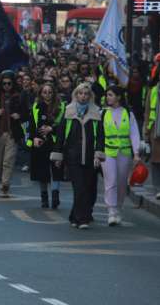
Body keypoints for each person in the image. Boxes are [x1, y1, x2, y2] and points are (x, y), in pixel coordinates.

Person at [51, 83, 105, 229]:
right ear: (76, 95)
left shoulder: (96, 113)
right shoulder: (68, 112)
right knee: (79, 187)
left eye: (86, 94)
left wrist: (98, 155)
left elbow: (100, 136)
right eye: (80, 93)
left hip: (89, 157)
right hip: (72, 156)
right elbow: (61, 135)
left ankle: (74, 216)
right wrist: (58, 156)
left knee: (88, 188)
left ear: (90, 96)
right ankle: (83, 219)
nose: (83, 96)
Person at [100, 86, 140, 226]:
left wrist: (136, 153)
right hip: (107, 153)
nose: (107, 97)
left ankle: (118, 208)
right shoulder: (103, 113)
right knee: (111, 181)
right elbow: (99, 135)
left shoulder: (128, 113)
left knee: (122, 183)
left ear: (118, 97)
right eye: (107, 95)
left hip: (124, 153)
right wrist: (97, 153)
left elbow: (134, 134)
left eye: (110, 95)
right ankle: (111, 211)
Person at [27, 83, 65, 209]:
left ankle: (55, 196)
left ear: (54, 93)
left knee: (56, 168)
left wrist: (51, 128)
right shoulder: (36, 106)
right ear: (40, 94)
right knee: (41, 170)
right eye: (44, 92)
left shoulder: (61, 107)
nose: (47, 94)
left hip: (55, 142)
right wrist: (34, 138)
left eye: (50, 92)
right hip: (40, 142)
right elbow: (32, 125)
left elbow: (63, 125)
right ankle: (44, 197)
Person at [0, 71, 23, 197]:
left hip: (12, 133)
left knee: (8, 161)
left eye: (9, 83)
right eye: (4, 83)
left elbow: (27, 112)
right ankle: (2, 179)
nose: (6, 86)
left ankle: (5, 184)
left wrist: (19, 115)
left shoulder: (19, 96)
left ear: (13, 83)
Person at [144, 78, 160, 200]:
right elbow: (147, 112)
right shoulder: (153, 91)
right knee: (156, 161)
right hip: (155, 130)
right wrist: (146, 131)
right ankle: (158, 188)